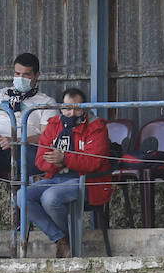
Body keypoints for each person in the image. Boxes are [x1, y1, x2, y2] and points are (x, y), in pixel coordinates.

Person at [18, 87, 113, 257]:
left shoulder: (96, 127)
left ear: (85, 108)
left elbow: (94, 162)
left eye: (77, 108)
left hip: (85, 181)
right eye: (67, 108)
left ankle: (67, 240)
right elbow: (40, 160)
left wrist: (64, 159)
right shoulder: (54, 125)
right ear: (61, 108)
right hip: (55, 177)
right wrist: (55, 163)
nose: (72, 113)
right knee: (20, 196)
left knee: (50, 198)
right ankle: (62, 239)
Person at [0, 52, 57, 183]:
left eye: (26, 75)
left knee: (36, 159)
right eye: (17, 74)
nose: (20, 78)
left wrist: (15, 141)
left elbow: (47, 137)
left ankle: (23, 198)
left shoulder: (47, 102)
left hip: (26, 147)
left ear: (37, 75)